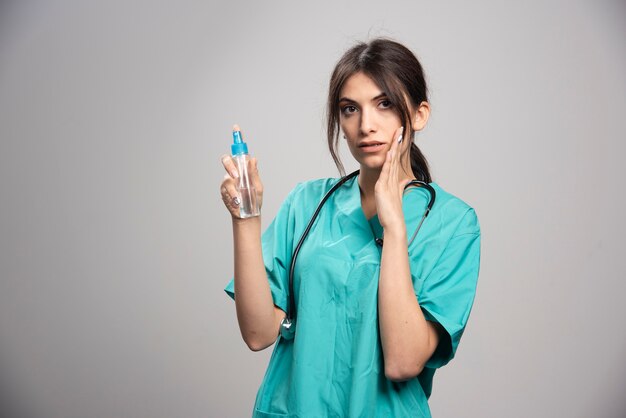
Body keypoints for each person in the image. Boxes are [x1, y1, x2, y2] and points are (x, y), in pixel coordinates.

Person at [220, 38, 481, 418]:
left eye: (384, 104)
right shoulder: (308, 203)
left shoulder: (453, 224)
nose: (365, 125)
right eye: (349, 109)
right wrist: (246, 217)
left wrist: (394, 228)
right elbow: (259, 333)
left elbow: (403, 361)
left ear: (419, 115)